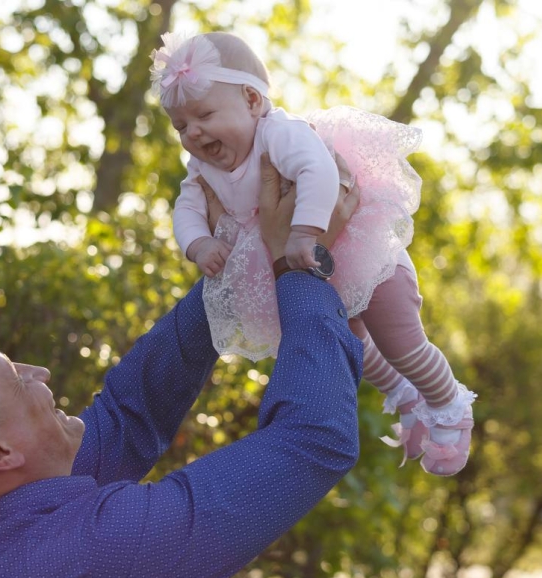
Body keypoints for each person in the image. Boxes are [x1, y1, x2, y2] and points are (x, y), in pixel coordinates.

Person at [0, 157, 363, 578]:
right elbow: (313, 440)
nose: (38, 374)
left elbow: (129, 413)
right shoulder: (93, 556)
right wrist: (299, 263)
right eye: (17, 381)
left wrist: (241, 255)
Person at [150, 31, 476, 476]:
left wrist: (304, 233)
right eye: (180, 126)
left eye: (204, 115)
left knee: (401, 342)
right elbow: (185, 207)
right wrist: (199, 243)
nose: (192, 132)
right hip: (319, 273)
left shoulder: (278, 132)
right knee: (356, 346)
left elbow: (319, 171)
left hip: (363, 258)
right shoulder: (203, 166)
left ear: (251, 100)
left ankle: (448, 403)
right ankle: (405, 395)